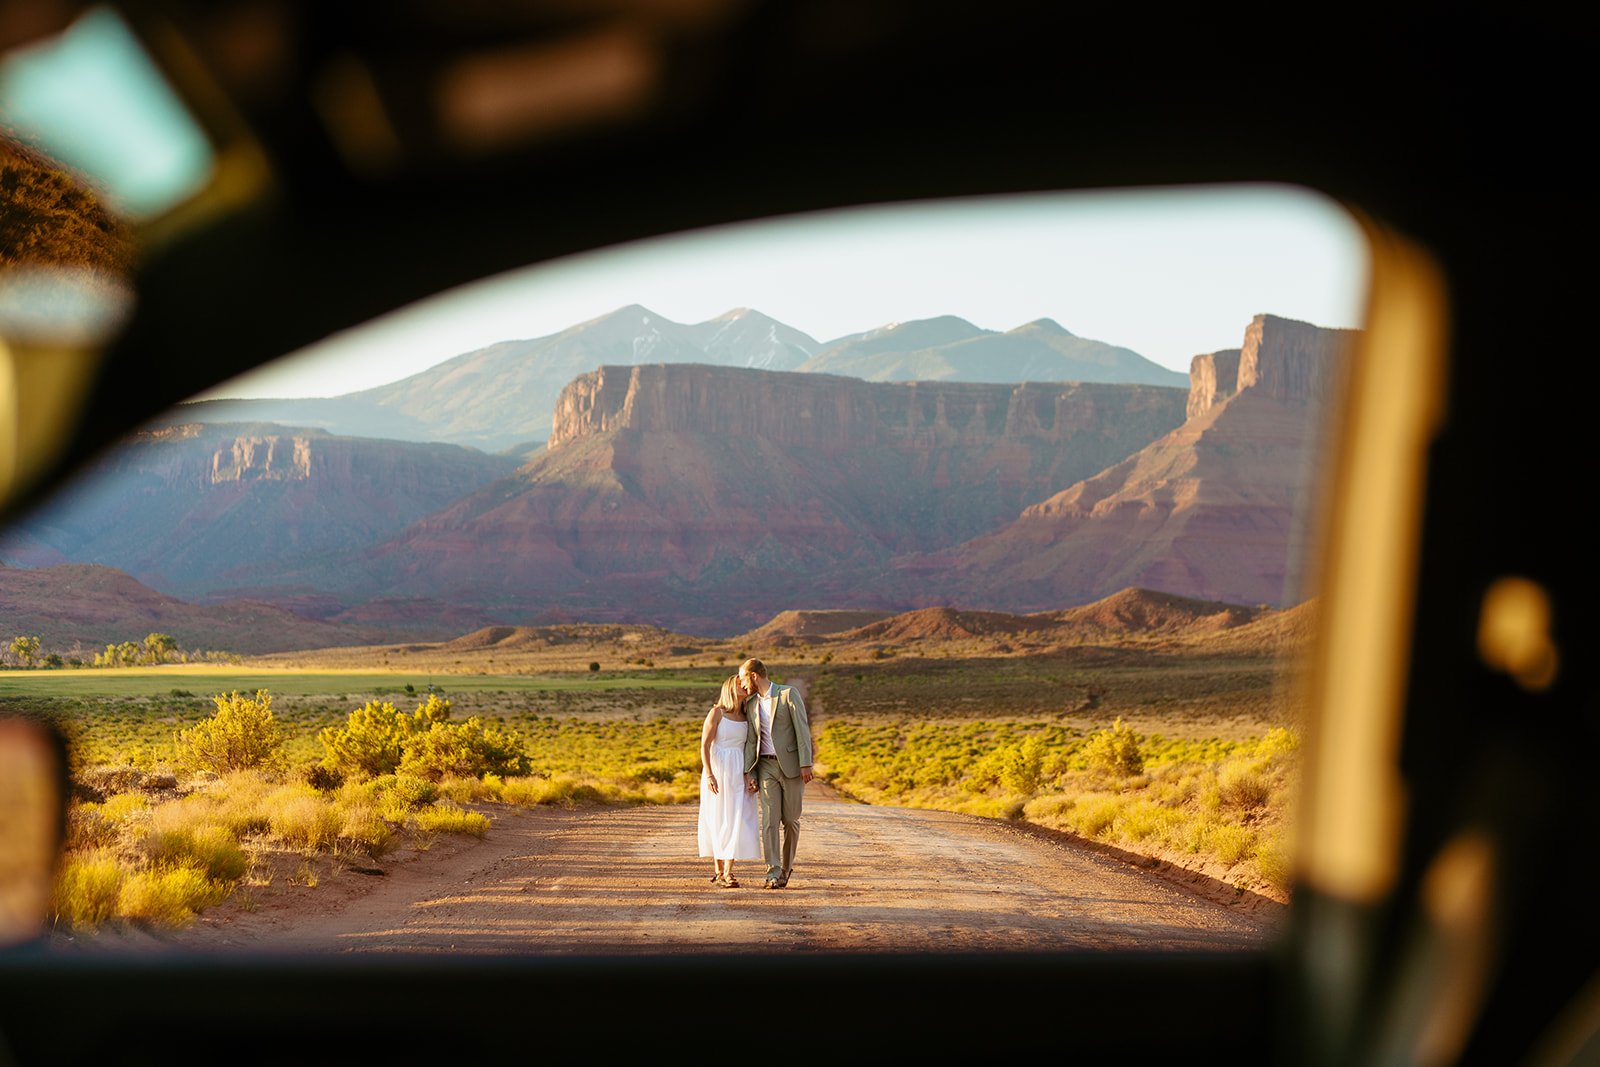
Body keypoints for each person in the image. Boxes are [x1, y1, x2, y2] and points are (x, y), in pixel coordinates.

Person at [738, 658, 814, 889]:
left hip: (791, 766)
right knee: (769, 821)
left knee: (790, 820)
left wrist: (806, 763)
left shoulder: (787, 694)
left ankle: (787, 867)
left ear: (753, 675)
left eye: (742, 678)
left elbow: (802, 729)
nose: (741, 685)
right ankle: (773, 871)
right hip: (765, 767)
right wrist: (748, 772)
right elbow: (751, 740)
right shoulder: (750, 703)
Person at [697, 674, 760, 887]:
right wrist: (709, 774)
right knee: (717, 819)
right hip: (718, 770)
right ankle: (718, 870)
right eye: (738, 684)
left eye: (744, 684)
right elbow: (705, 746)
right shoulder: (717, 713)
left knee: (737, 819)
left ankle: (729, 872)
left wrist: (750, 776)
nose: (743, 686)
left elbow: (749, 748)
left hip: (738, 770)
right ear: (729, 688)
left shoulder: (747, 715)